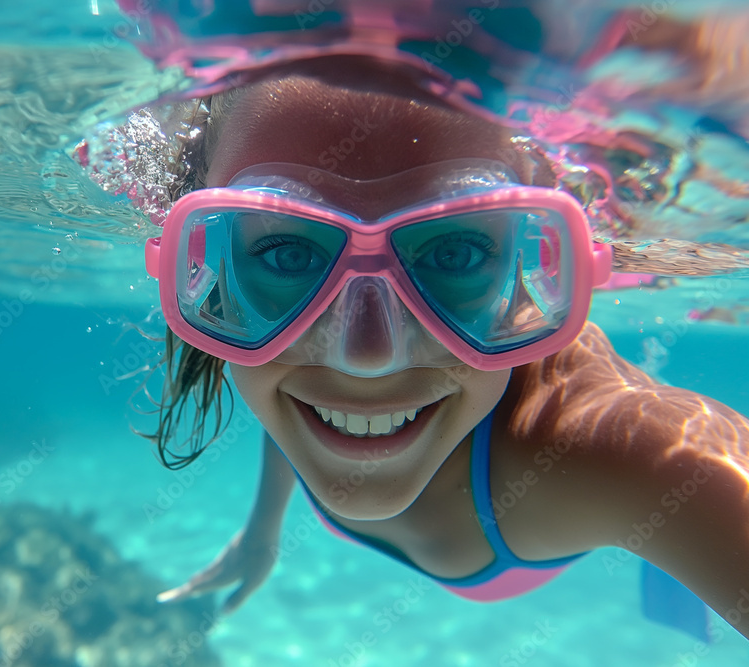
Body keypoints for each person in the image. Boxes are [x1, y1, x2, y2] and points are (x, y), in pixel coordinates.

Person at [83, 3, 749, 643]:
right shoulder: (293, 366)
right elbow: (304, 400)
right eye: (289, 253)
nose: (365, 357)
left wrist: (692, 514)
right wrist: (263, 533)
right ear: (205, 275)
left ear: (538, 261)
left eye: (454, 251)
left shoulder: (631, 460)